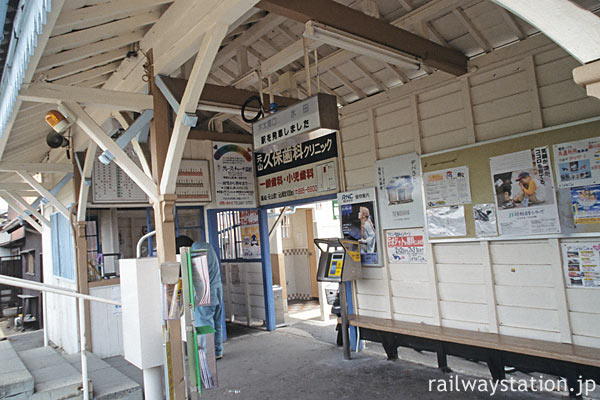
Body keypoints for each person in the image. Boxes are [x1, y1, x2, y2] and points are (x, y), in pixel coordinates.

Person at [176, 235, 224, 359]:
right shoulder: (207, 246)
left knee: (204, 325)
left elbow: (191, 274)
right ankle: (217, 351)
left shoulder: (196, 253)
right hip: (217, 289)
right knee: (216, 322)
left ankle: (207, 356)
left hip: (204, 294)